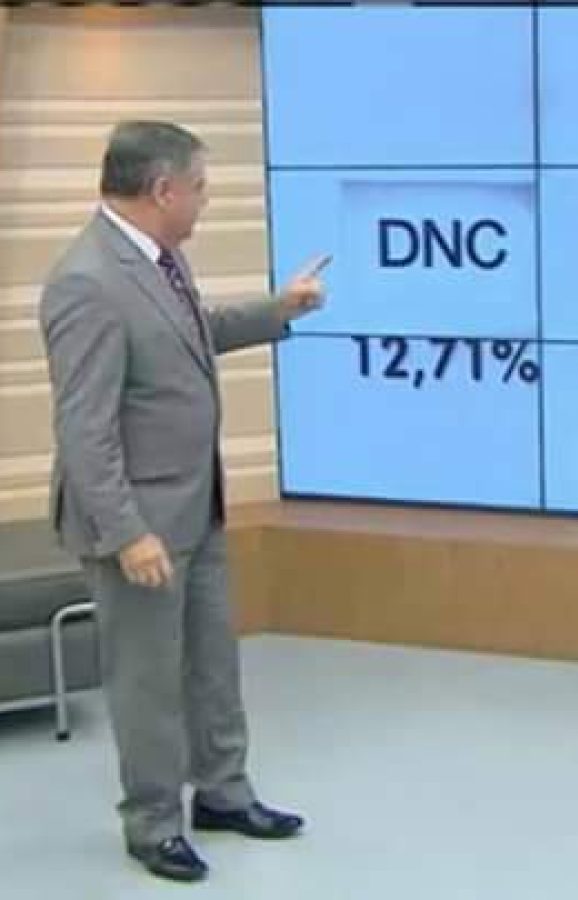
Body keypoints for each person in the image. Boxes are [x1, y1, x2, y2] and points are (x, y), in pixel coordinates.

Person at [38, 120, 328, 883]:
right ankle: (153, 822)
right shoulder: (86, 282)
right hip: (139, 525)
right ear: (163, 189)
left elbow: (191, 334)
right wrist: (127, 532)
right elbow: (84, 429)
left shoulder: (159, 259)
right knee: (147, 681)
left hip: (197, 506)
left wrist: (280, 309)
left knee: (211, 663)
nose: (206, 200)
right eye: (200, 187)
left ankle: (223, 792)